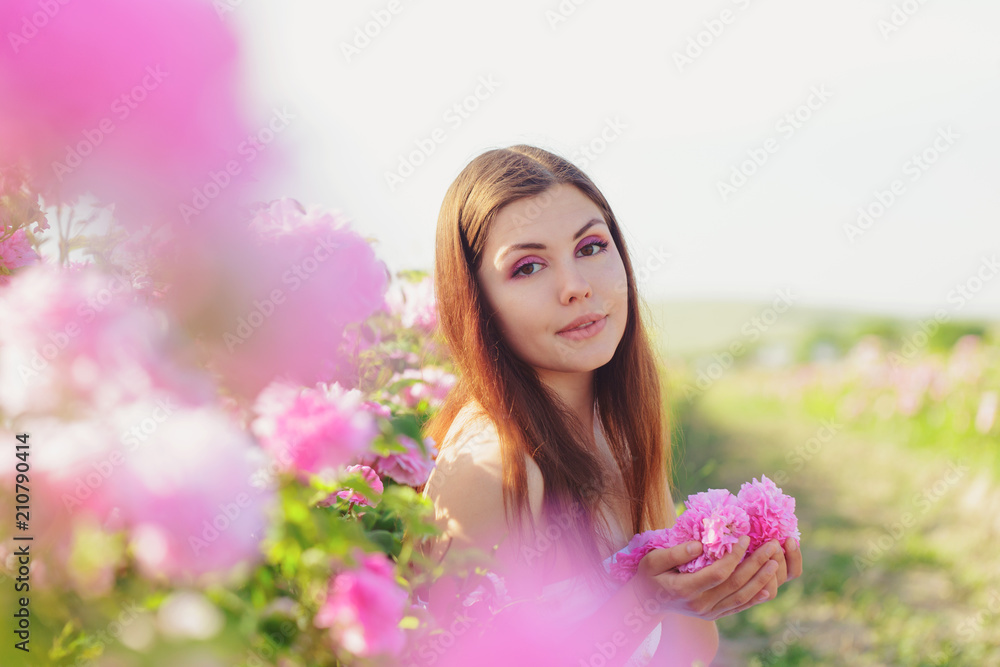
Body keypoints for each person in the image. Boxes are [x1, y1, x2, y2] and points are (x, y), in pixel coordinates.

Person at [411, 144, 802, 666]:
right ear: (476, 302)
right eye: (528, 267)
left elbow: (682, 656)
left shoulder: (617, 432)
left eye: (591, 247)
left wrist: (714, 591)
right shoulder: (489, 466)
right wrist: (642, 603)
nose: (575, 287)